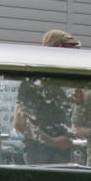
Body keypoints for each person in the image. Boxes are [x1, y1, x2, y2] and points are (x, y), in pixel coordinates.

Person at [14, 30, 80, 163]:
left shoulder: (59, 81)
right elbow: (20, 123)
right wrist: (53, 142)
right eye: (71, 50)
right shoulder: (34, 80)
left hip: (62, 154)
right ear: (59, 48)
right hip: (40, 155)